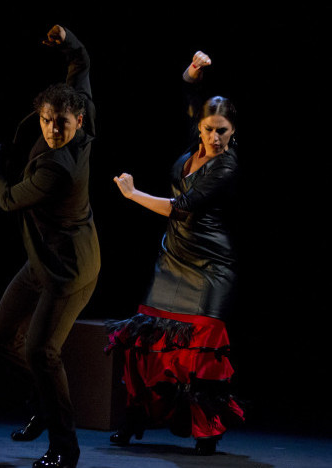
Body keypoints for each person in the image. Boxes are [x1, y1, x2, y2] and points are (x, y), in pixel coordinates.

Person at [106, 51, 244, 456]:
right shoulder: (195, 144)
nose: (214, 138)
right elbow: (189, 93)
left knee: (200, 351)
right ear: (199, 127)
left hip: (210, 265)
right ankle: (135, 420)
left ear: (233, 130)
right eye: (208, 129)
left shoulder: (227, 165)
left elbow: (181, 207)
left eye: (222, 130)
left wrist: (132, 195)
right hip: (173, 258)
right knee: (148, 342)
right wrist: (193, 71)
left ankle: (207, 429)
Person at [0, 25, 100, 468]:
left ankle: (65, 448)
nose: (51, 129)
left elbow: (10, 198)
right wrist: (66, 39)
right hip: (41, 259)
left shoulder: (59, 170)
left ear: (79, 121)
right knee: (0, 337)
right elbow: (81, 63)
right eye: (47, 120)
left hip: (69, 269)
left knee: (41, 350)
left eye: (60, 123)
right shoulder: (79, 107)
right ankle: (46, 401)